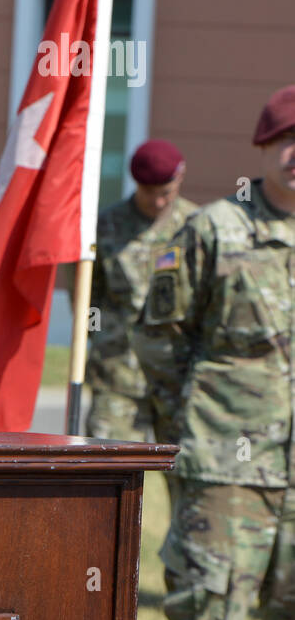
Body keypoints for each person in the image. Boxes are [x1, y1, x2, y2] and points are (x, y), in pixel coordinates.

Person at [132, 86, 295, 620]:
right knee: (209, 619)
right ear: (263, 148)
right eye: (286, 140)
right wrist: (190, 421)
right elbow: (158, 336)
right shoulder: (212, 230)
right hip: (228, 467)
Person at [79, 140, 197, 441]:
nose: (157, 203)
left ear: (180, 179)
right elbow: (87, 298)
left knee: (188, 471)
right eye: (149, 193)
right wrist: (100, 337)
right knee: (106, 469)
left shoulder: (198, 228)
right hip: (118, 374)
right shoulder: (105, 227)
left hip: (180, 374)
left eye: (166, 193)